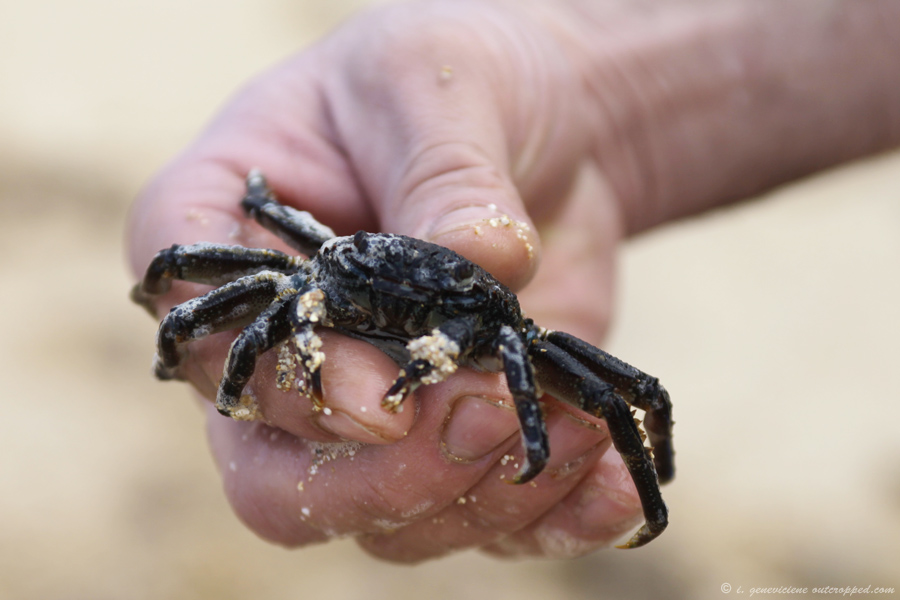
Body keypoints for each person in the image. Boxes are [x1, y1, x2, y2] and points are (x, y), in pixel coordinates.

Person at [127, 0, 900, 562]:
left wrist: (534, 432)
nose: (391, 302)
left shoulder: (493, 325)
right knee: (246, 307)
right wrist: (179, 333)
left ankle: (650, 488)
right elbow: (208, 256)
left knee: (622, 400)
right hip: (366, 282)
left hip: (482, 331)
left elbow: (618, 388)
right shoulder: (328, 266)